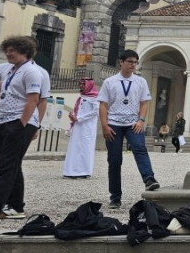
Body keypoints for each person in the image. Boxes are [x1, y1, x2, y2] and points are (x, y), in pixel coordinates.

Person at [0, 36, 42, 223]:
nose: (8, 54)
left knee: (7, 165)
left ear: (24, 51)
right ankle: (16, 206)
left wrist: (21, 125)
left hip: (19, 121)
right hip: (2, 120)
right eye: (7, 50)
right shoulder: (11, 70)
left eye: (12, 50)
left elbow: (33, 99)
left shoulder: (31, 71)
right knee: (10, 164)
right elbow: (14, 94)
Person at [98, 49, 159, 210]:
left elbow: (144, 103)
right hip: (113, 124)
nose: (133, 65)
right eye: (130, 61)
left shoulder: (140, 81)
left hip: (133, 123)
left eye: (135, 62)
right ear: (121, 62)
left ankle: (149, 179)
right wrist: (104, 126)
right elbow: (103, 105)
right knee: (114, 160)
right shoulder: (110, 82)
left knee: (140, 148)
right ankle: (115, 196)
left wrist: (141, 120)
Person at [62, 78, 100, 178]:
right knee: (74, 147)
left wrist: (79, 118)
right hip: (78, 127)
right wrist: (73, 117)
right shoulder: (81, 97)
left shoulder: (94, 98)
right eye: (80, 84)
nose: (81, 86)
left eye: (83, 84)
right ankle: (71, 171)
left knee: (85, 148)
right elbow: (78, 110)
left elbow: (96, 111)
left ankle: (84, 171)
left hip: (87, 128)